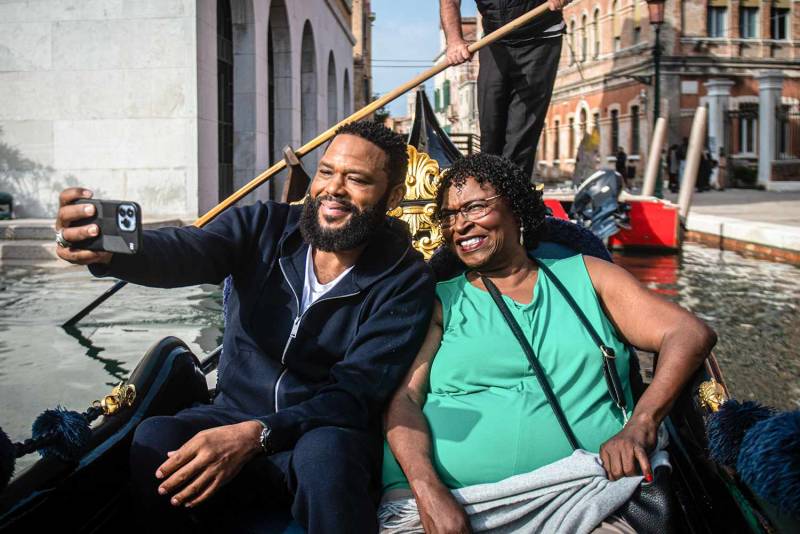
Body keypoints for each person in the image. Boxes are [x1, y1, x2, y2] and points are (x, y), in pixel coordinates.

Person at [54, 121, 435, 533]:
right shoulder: (263, 227)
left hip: (319, 435)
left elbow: (353, 395)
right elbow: (186, 250)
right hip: (231, 412)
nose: (333, 189)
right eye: (326, 172)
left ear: (393, 196)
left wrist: (257, 435)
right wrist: (110, 251)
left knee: (326, 456)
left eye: (356, 179)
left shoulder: (404, 277)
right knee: (155, 438)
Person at [381, 154, 716, 533]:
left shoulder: (587, 276)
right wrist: (429, 492)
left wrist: (641, 422)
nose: (460, 224)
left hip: (587, 497)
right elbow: (403, 402)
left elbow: (688, 333)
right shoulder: (441, 301)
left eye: (475, 207)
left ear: (517, 209)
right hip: (445, 503)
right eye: (449, 215)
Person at [440, 0, 571, 178]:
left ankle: (512, 198)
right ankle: (489, 189)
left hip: (540, 39)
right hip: (495, 39)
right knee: (491, 132)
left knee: (520, 138)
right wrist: (454, 40)